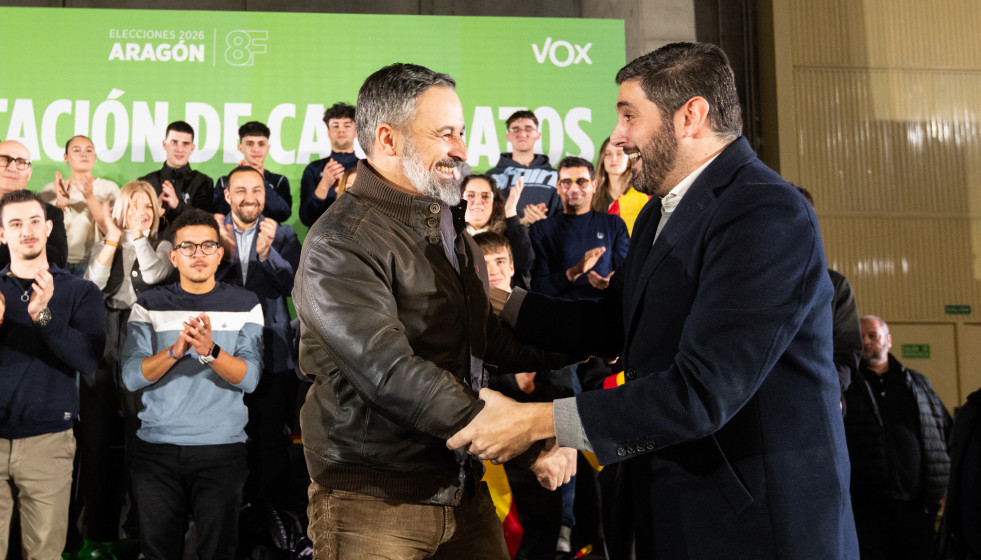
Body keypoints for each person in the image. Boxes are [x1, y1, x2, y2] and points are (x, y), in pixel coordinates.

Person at [448, 42, 859, 559]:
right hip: (676, 510)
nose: (618, 136)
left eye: (629, 116)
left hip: (754, 527)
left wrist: (536, 421)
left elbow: (703, 391)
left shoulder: (765, 211)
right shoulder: (657, 214)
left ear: (691, 116)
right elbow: (612, 323)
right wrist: (500, 302)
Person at [293, 62, 575, 560]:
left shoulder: (446, 227)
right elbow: (389, 373)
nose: (462, 151)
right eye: (445, 134)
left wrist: (599, 339)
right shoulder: (339, 241)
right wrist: (527, 443)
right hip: (372, 506)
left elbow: (486, 338)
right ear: (387, 139)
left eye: (461, 133)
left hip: (461, 490)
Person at [121, 208, 264, 560]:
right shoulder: (149, 305)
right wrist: (175, 351)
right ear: (173, 256)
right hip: (157, 449)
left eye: (207, 246)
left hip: (221, 449)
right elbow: (132, 376)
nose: (198, 254)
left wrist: (210, 351)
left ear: (220, 253)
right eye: (188, 246)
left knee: (218, 552)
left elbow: (250, 379)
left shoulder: (245, 304)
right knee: (158, 552)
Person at [0, 189, 105, 558]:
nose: (26, 231)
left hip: (48, 442)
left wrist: (43, 316)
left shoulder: (80, 291)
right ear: (2, 235)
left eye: (34, 221)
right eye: (16, 224)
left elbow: (88, 360)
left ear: (48, 228)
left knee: (45, 554)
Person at [79, 180, 174, 547]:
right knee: (95, 437)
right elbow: (93, 284)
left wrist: (137, 236)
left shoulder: (163, 245)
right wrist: (114, 238)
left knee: (139, 433)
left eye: (146, 205)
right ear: (120, 209)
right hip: (104, 337)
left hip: (142, 337)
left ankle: (134, 531)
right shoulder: (105, 243)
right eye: (132, 205)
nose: (140, 212)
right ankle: (93, 533)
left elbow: (153, 275)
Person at [214, 165, 301, 510]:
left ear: (265, 195)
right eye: (241, 190)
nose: (249, 198)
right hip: (223, 353)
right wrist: (222, 253)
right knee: (228, 438)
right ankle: (230, 511)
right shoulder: (211, 232)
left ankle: (269, 517)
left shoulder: (285, 235)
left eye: (257, 190)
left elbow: (294, 287)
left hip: (272, 354)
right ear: (227, 196)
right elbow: (202, 287)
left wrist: (267, 255)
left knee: (271, 439)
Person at [843, 315, 951, 560]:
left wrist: (945, 485)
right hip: (866, 508)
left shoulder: (918, 384)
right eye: (860, 337)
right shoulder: (845, 386)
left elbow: (944, 432)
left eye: (873, 335)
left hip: (916, 507)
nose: (866, 341)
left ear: (888, 340)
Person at [794, 184, 862, 403]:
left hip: (817, 401)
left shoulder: (835, 285)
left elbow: (846, 352)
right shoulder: (752, 279)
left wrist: (829, 391)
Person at [529, 156, 629, 302]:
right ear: (558, 187)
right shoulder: (541, 229)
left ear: (594, 186)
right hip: (559, 310)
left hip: (604, 309)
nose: (574, 189)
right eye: (566, 182)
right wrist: (574, 272)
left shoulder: (614, 224)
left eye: (581, 182)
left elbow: (627, 275)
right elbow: (538, 287)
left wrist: (611, 281)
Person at [40, 135, 119, 277]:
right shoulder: (51, 190)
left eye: (89, 150)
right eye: (76, 150)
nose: (84, 154)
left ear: (95, 157)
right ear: (66, 157)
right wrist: (60, 204)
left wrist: (90, 197)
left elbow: (110, 231)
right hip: (55, 261)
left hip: (95, 262)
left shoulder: (109, 189)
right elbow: (41, 231)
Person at [0, 139, 69, 269]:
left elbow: (55, 260)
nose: (12, 168)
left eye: (21, 163)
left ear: (29, 174)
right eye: (4, 160)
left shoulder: (49, 213)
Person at [486, 110, 561, 225]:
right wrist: (520, 223)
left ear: (538, 135)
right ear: (508, 136)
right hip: (505, 236)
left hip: (548, 236)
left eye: (528, 129)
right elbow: (486, 216)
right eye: (515, 129)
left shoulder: (555, 175)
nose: (522, 133)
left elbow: (564, 213)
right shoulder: (493, 176)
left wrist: (544, 223)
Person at [138, 120, 215, 231]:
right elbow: (134, 223)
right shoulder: (145, 183)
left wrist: (177, 205)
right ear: (164, 144)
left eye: (185, 143)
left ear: (192, 148)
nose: (180, 149)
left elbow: (205, 224)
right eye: (174, 142)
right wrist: (155, 214)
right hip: (152, 241)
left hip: (189, 241)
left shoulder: (203, 183)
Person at [463, 174, 533, 289]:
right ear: (460, 199)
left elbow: (524, 263)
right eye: (470, 195)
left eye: (485, 196)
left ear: (494, 202)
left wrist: (510, 213)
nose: (478, 201)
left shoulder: (509, 232)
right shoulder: (449, 236)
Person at [213, 121, 292, 222]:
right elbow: (219, 214)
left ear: (267, 148)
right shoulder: (224, 182)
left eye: (261, 144)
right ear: (241, 147)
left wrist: (260, 180)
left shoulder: (279, 181)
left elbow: (283, 214)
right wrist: (239, 180)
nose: (256, 149)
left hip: (269, 232)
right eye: (250, 144)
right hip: (232, 231)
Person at [298, 102, 360, 227]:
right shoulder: (314, 169)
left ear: (356, 131)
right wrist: (325, 184)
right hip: (319, 235)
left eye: (347, 125)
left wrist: (343, 189)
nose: (341, 130)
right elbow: (306, 218)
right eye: (335, 126)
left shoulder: (366, 167)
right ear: (328, 132)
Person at [592, 137, 648, 236]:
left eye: (619, 154)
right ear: (602, 159)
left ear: (629, 159)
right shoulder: (593, 196)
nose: (613, 159)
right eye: (608, 154)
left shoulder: (642, 193)